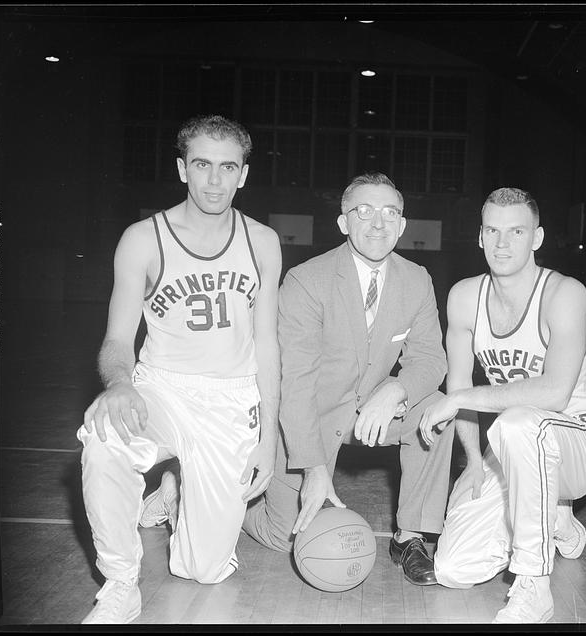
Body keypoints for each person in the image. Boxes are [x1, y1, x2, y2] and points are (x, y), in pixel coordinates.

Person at [78, 115, 281, 624]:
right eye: (202, 165)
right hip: (162, 388)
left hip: (232, 399)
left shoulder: (263, 242)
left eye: (228, 167)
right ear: (182, 169)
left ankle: (171, 487)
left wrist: (268, 435)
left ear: (244, 174)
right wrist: (120, 384)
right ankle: (120, 582)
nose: (215, 180)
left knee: (205, 570)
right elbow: (117, 339)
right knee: (103, 436)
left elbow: (268, 344)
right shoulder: (143, 239)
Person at [243, 172, 454, 585]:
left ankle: (410, 536)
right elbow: (295, 382)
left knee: (438, 411)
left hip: (372, 409)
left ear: (402, 225)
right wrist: (313, 468)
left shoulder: (417, 280)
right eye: (364, 211)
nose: (378, 223)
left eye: (390, 212)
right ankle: (220, 507)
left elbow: (430, 358)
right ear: (343, 223)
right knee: (285, 536)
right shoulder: (307, 281)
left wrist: (396, 388)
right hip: (311, 417)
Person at [419, 187, 586, 623]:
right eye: (492, 230)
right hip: (516, 447)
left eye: (516, 231)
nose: (502, 243)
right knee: (453, 569)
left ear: (537, 237)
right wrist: (473, 460)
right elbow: (458, 381)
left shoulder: (565, 293)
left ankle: (534, 585)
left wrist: (462, 399)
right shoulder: (465, 297)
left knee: (516, 422)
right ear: (480, 236)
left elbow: (554, 394)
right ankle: (555, 521)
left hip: (580, 439)